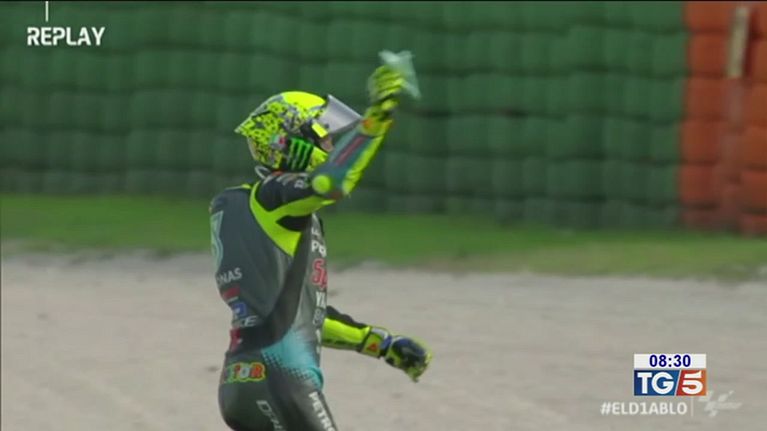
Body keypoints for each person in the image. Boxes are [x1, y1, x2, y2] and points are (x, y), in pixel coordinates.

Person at [208, 63, 432, 431]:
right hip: (283, 380)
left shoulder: (248, 209)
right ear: (291, 142)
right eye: (325, 139)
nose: (330, 147)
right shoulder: (273, 198)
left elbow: (305, 318)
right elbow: (331, 183)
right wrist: (377, 118)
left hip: (241, 381)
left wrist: (379, 343)